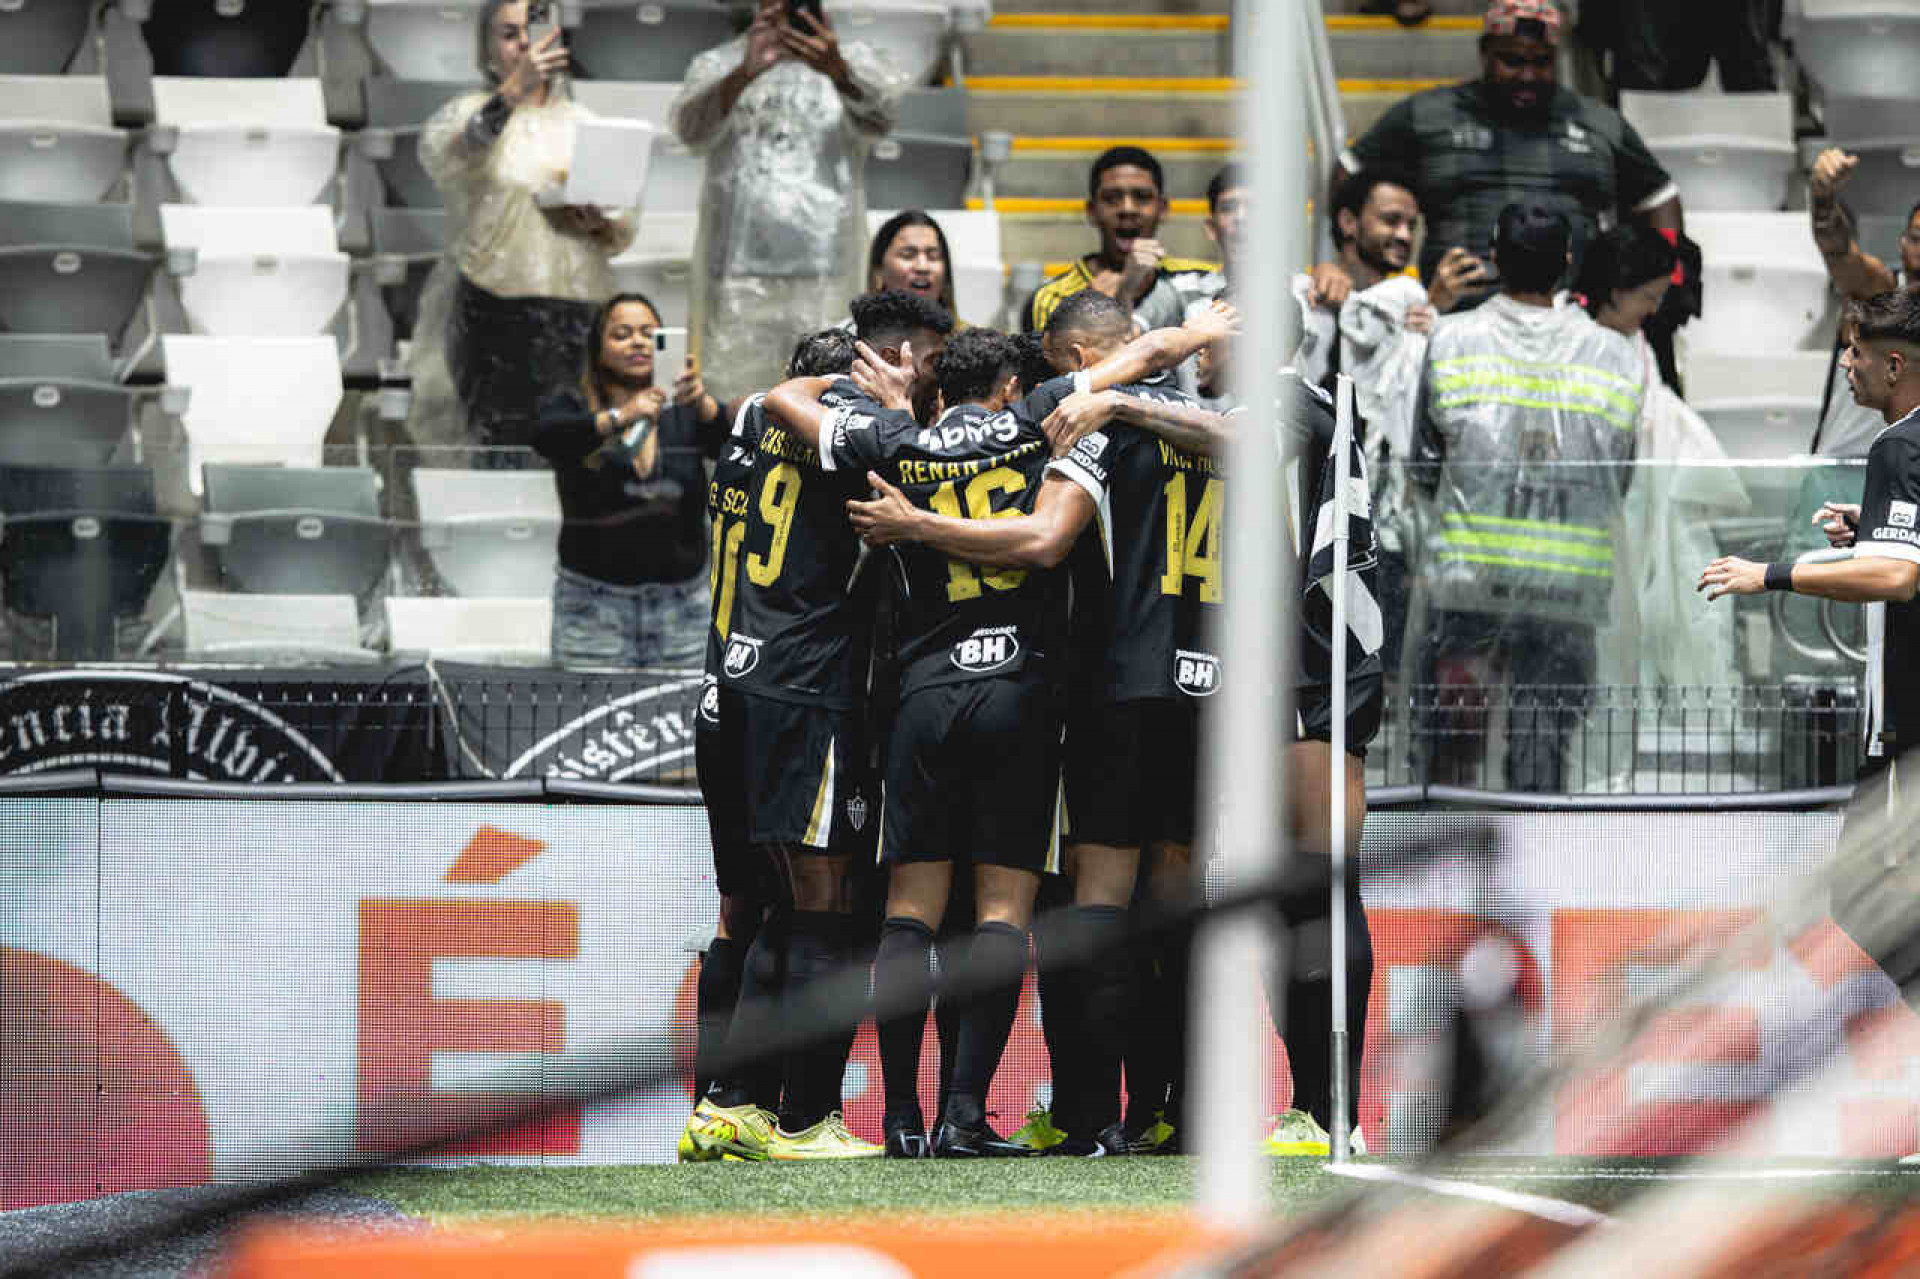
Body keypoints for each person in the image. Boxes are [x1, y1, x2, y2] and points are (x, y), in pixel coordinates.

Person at [763, 309, 1234, 1158]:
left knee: (909, 913)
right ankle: (966, 1115)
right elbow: (1141, 359)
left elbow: (781, 400)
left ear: (944, 388)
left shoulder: (899, 447)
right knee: (1003, 916)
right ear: (1013, 385)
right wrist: (1199, 327)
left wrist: (894, 407)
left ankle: (901, 1118)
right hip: (1019, 694)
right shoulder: (1033, 423)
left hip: (922, 698)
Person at [681, 297, 949, 1164]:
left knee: (759, 911)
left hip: (730, 686)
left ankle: (726, 1104)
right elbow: (907, 461)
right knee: (827, 908)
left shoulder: (748, 424)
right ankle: (804, 1119)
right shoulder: (845, 429)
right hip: (806, 691)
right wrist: (903, 416)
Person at [1698, 288, 1920, 1010]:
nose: (1846, 364)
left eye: (1855, 352)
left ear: (1894, 365)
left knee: (1859, 896)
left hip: (1909, 737)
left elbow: (1897, 573)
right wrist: (1874, 526)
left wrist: (1771, 575)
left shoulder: (1900, 444)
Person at [1413, 203, 1643, 792]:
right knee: (1542, 762)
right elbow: (1618, 477)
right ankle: (1536, 880)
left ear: (1495, 259)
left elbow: (1425, 466)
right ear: (1566, 263)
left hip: (1468, 585)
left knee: (1454, 761)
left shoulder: (1450, 340)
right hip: (1565, 591)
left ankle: (1450, 876)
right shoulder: (1616, 354)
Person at [1335, 0, 1682, 301]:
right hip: (1459, 314)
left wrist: (1670, 280)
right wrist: (1352, 266)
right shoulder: (1429, 115)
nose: (1528, 75)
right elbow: (1350, 172)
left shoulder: (1599, 123)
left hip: (1573, 318)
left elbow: (1659, 197)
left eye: (1542, 62)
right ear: (1485, 53)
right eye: (1513, 61)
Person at [411, 0, 637, 458]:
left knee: (574, 451)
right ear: (486, 47)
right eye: (508, 34)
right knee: (498, 443)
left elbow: (622, 226)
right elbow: (449, 156)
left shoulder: (585, 125)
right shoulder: (471, 113)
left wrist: (597, 219)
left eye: (530, 32)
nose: (522, 45)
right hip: (491, 304)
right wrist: (514, 93)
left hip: (579, 306)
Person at [671, 0, 907, 404]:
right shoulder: (720, 63)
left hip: (826, 272)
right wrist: (744, 73)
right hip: (737, 275)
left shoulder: (850, 62)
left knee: (826, 398)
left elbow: (882, 121)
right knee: (738, 401)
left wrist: (840, 73)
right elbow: (690, 132)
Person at [1577, 226, 1747, 696]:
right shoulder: (1572, 341)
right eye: (1647, 297)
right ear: (1615, 293)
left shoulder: (1639, 347)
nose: (1654, 310)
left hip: (1641, 509)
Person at [531, 293, 726, 668]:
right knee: (587, 723)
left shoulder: (685, 409)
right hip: (592, 612)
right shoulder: (574, 406)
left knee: (682, 725)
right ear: (597, 349)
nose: (637, 342)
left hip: (685, 613)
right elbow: (546, 436)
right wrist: (620, 417)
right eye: (621, 334)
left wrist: (706, 407)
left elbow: (733, 445)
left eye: (648, 333)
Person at [1022, 146, 1220, 336]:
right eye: (1112, 198)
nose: (1127, 209)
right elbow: (1060, 370)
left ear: (1163, 209)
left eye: (1142, 197)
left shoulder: (1201, 281)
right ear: (1091, 211)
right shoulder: (1052, 297)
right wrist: (1102, 305)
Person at [1809, 149, 1920, 458]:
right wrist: (1823, 200)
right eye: (1917, 237)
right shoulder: (1879, 294)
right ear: (1902, 242)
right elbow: (1838, 252)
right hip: (1842, 465)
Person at [866, 210, 966, 328]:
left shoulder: (969, 342)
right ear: (878, 270)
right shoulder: (851, 339)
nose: (922, 267)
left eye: (933, 256)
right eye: (907, 255)